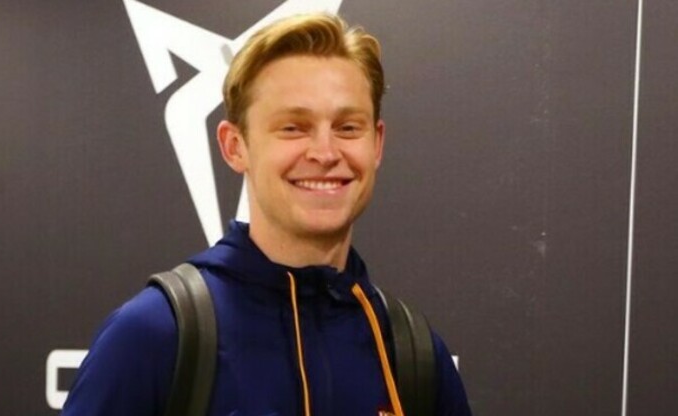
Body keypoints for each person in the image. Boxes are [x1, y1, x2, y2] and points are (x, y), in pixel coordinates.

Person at [62, 13, 471, 416]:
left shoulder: (415, 356)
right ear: (234, 146)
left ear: (377, 144)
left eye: (348, 127)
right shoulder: (155, 335)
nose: (325, 153)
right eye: (293, 127)